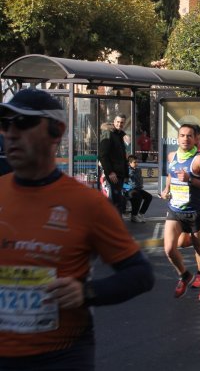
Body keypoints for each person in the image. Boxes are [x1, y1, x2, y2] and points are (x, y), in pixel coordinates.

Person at [0, 88, 154, 369]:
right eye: (5, 123)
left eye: (23, 123)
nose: (10, 133)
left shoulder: (87, 204)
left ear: (56, 132)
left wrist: (86, 292)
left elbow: (140, 275)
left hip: (60, 355)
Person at [161, 124, 200, 301]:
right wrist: (166, 189)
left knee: (199, 248)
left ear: (196, 139)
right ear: (178, 138)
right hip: (175, 209)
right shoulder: (172, 156)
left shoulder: (199, 159)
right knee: (169, 248)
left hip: (194, 211)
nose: (185, 139)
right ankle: (184, 275)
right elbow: (171, 174)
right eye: (182, 135)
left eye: (189, 136)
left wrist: (190, 179)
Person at [99, 114, 128, 214]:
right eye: (118, 122)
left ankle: (116, 225)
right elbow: (103, 155)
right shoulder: (108, 134)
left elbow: (123, 157)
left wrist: (126, 174)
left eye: (122, 122)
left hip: (119, 174)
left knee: (118, 201)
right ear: (114, 122)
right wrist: (110, 172)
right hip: (112, 174)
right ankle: (114, 226)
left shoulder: (119, 135)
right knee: (115, 202)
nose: (119, 124)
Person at [126, 155, 153, 223]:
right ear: (130, 163)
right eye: (135, 162)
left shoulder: (138, 169)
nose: (136, 164)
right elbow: (126, 180)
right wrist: (130, 172)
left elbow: (139, 179)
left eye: (137, 162)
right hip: (129, 190)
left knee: (149, 197)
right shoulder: (127, 170)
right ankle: (134, 215)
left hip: (138, 189)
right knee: (138, 197)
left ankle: (141, 214)